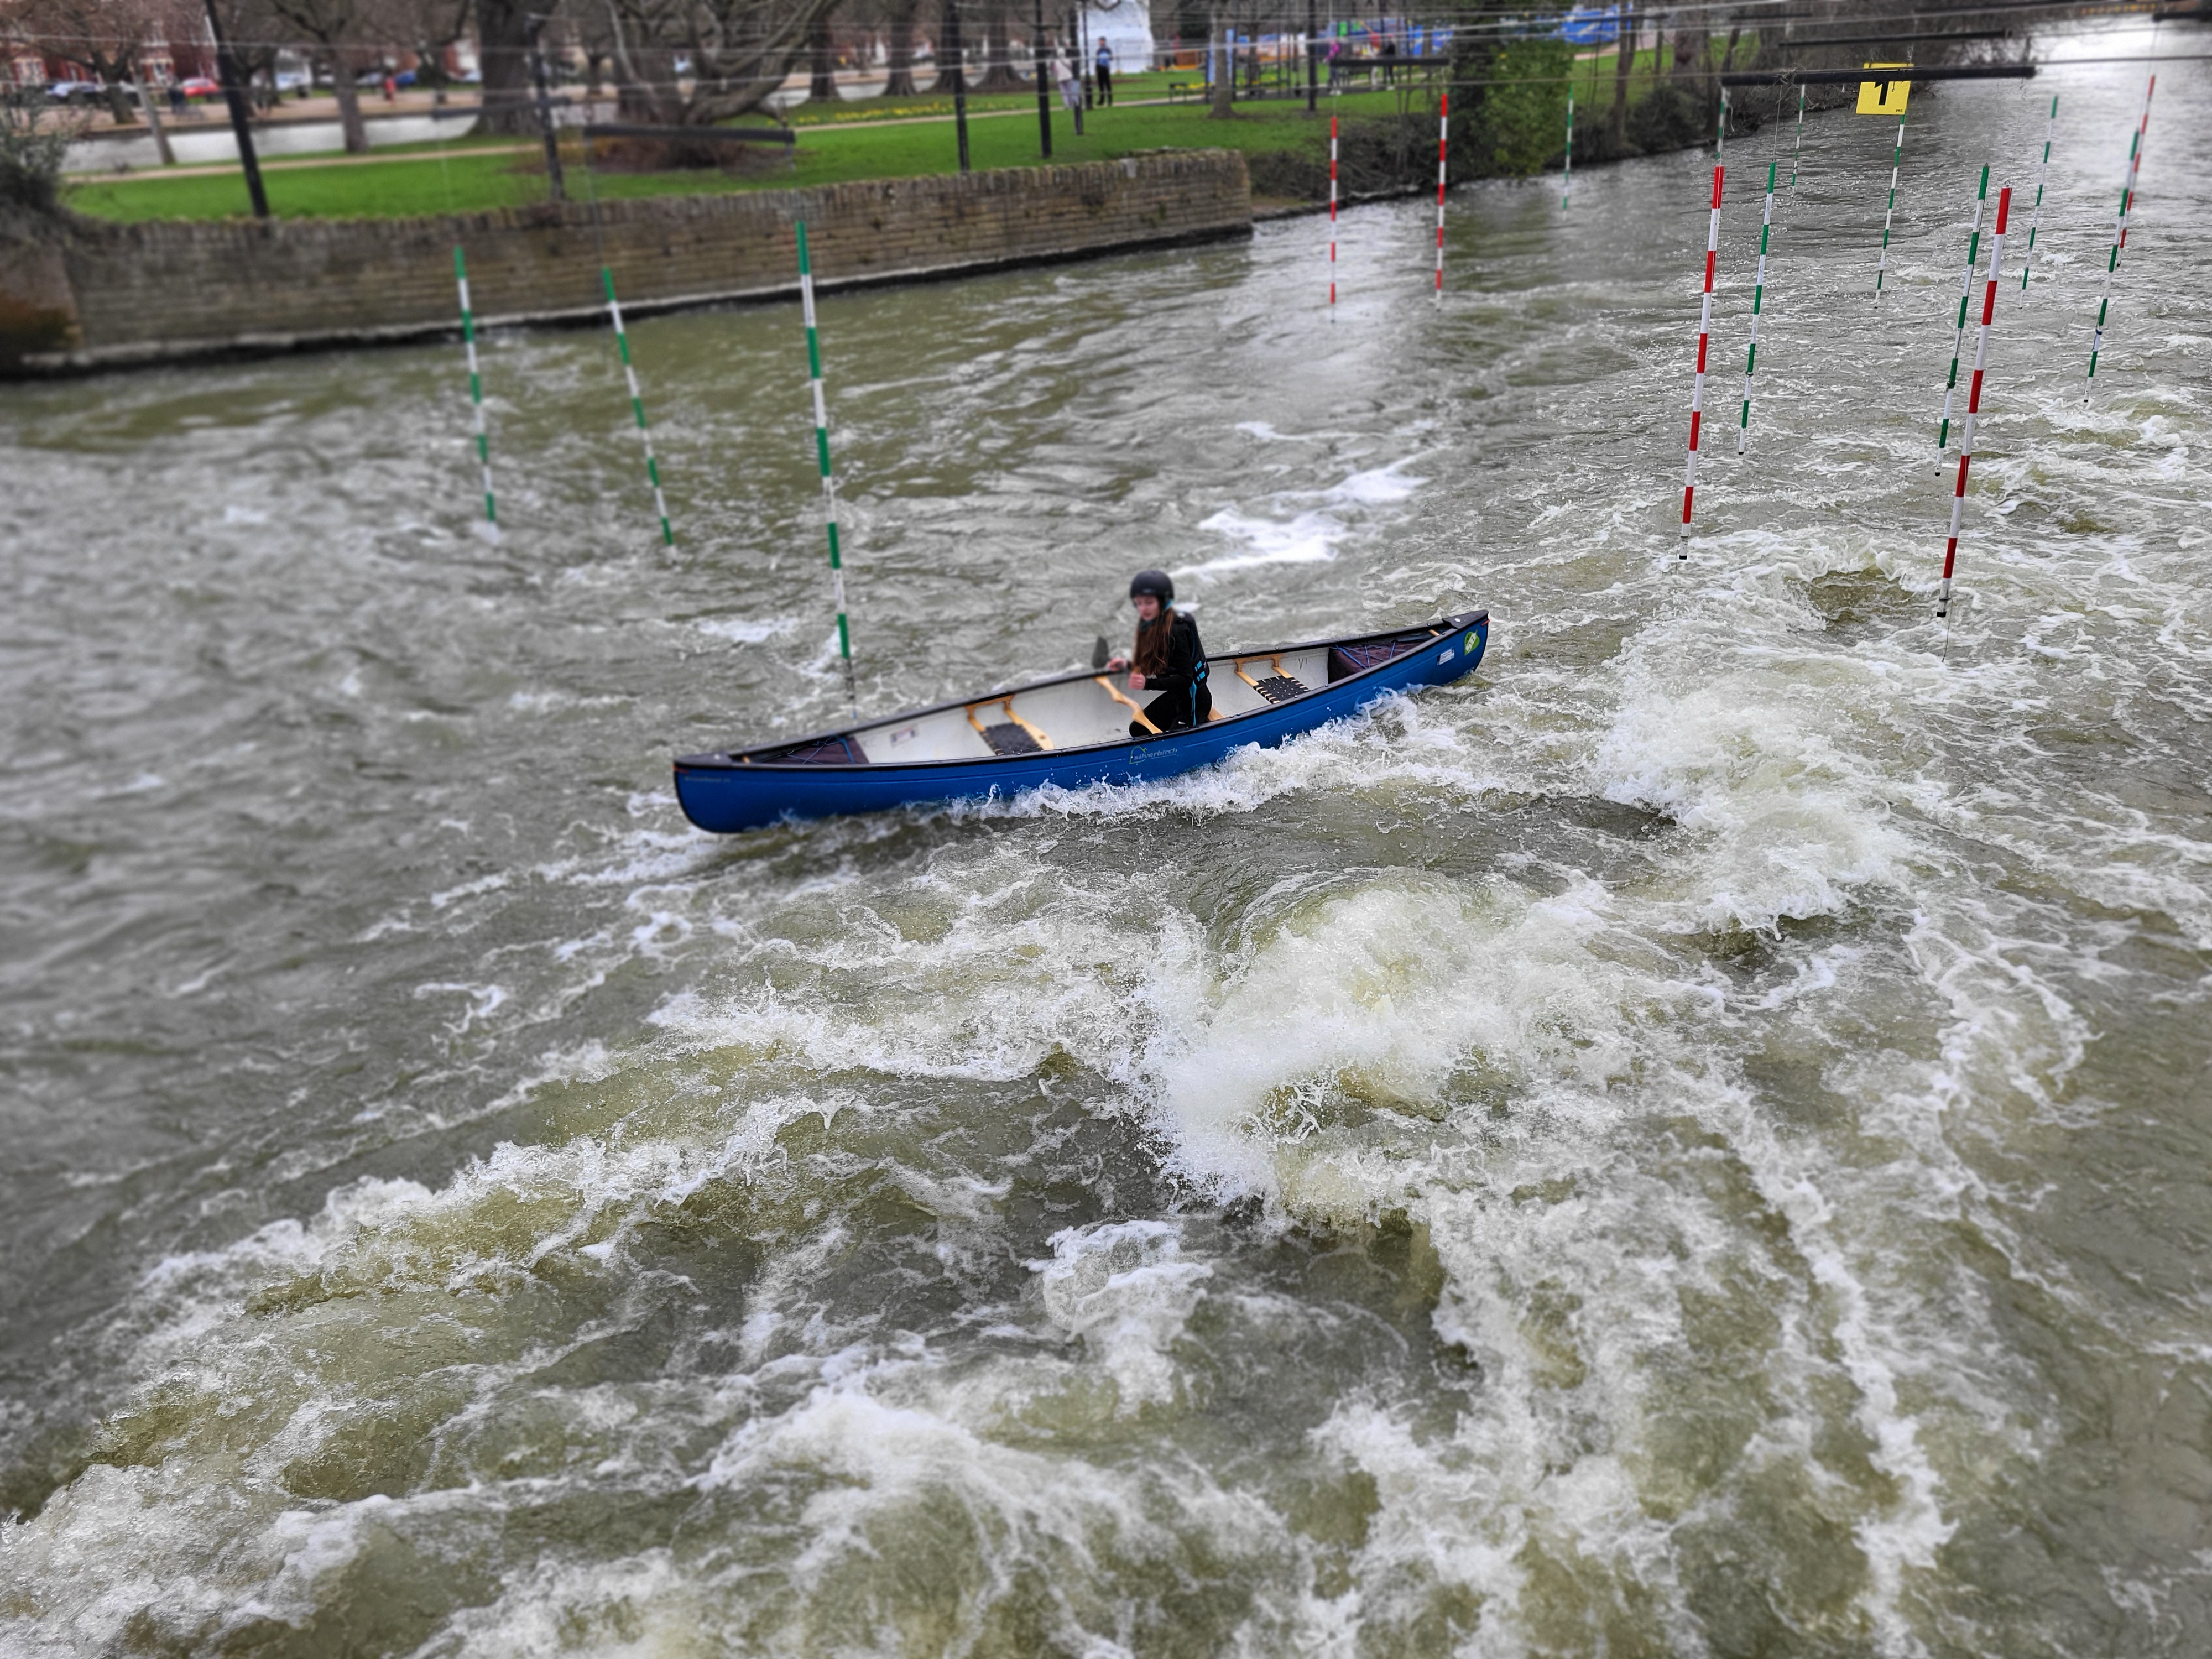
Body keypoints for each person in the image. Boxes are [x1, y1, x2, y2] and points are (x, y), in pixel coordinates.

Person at [1104, 570, 1211, 737]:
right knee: (1137, 730)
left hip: (1194, 701)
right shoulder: (1150, 623)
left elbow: (1186, 679)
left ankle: (1203, 725)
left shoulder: (1177, 630)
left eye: (1149, 603)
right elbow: (1148, 661)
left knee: (1174, 741)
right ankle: (1186, 724)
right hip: (1176, 698)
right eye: (1139, 603)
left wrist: (1148, 684)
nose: (1143, 608)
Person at [1051, 47, 1084, 136]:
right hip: (1069, 77)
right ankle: (1073, 103)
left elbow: (1055, 71)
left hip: (1061, 78)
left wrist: (1057, 77)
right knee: (1071, 91)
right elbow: (1072, 67)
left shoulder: (1056, 62)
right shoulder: (1068, 60)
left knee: (1064, 92)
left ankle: (1067, 104)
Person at [1093, 36, 1114, 106]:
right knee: (1101, 85)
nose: (1099, 42)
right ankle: (1102, 100)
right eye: (1099, 41)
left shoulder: (1107, 49)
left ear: (1104, 41)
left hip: (1105, 68)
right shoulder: (1099, 50)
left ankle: (1109, 100)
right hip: (1100, 68)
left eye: (1100, 41)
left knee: (1107, 84)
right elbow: (1097, 59)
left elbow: (1111, 58)